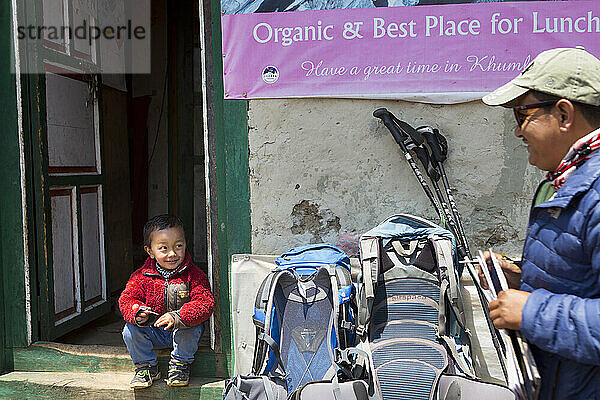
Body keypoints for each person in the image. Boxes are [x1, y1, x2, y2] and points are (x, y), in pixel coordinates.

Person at [480, 46, 600, 399]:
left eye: (522, 115)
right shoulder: (569, 178)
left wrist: (531, 310)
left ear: (564, 115)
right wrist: (524, 279)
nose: (517, 132)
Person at [119, 214, 214, 389]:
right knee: (129, 330)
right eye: (163, 248)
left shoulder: (194, 275)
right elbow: (126, 299)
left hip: (181, 331)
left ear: (185, 244)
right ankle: (146, 367)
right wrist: (137, 312)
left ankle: (180, 364)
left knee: (192, 326)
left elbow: (205, 303)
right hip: (153, 332)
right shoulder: (141, 276)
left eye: (178, 246)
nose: (172, 253)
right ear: (150, 251)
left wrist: (178, 317)